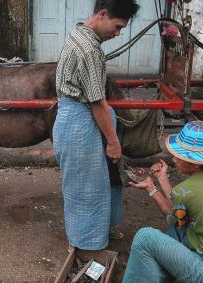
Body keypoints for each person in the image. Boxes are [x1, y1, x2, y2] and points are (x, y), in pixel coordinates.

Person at [53, 0, 140, 250]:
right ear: (102, 15)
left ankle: (100, 231)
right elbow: (97, 102)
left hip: (77, 120)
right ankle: (86, 245)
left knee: (101, 180)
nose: (118, 33)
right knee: (86, 189)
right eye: (117, 26)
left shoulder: (78, 33)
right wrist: (113, 142)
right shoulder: (89, 49)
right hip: (80, 124)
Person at [121, 120, 203, 283]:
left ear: (196, 163)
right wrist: (155, 183)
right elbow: (179, 206)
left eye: (180, 156)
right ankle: (165, 281)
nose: (174, 159)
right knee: (177, 226)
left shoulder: (187, 190)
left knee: (145, 237)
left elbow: (172, 210)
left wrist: (153, 187)